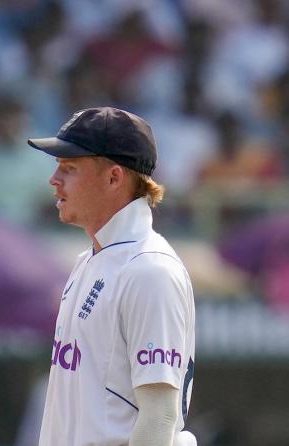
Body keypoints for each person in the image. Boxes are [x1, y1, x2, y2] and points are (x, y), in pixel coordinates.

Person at [27, 107, 197, 446]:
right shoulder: (90, 260)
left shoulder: (150, 270)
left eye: (69, 167)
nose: (54, 179)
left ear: (114, 178)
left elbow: (160, 415)